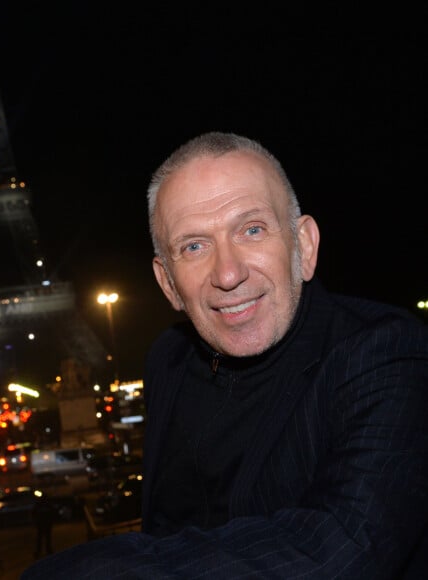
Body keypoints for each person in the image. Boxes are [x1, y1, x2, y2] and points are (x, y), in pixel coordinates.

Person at [22, 132, 428, 578]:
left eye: (252, 230)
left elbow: (345, 547)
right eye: (194, 246)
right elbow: (165, 525)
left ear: (305, 247)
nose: (228, 273)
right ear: (168, 283)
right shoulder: (167, 361)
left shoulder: (387, 353)